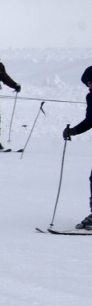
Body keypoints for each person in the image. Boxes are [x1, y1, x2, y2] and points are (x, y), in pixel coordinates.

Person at [62, 66, 92, 230]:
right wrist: (74, 130)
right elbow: (90, 120)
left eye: (91, 82)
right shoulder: (91, 97)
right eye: (88, 83)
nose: (89, 86)